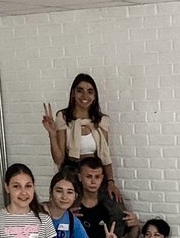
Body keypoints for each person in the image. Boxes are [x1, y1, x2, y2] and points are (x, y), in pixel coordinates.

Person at [42, 73, 123, 201]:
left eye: (90, 92)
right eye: (80, 91)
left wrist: (111, 181)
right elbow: (59, 160)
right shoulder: (63, 117)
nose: (85, 96)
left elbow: (105, 155)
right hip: (71, 171)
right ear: (73, 93)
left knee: (115, 208)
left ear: (95, 96)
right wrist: (52, 135)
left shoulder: (101, 120)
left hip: (94, 173)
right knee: (73, 211)